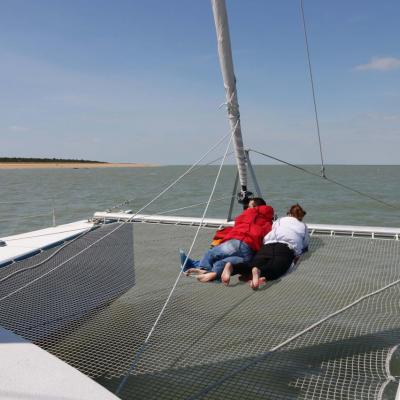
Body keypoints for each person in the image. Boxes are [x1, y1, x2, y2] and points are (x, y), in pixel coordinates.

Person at [181, 198, 274, 283]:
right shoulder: (268, 222)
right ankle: (215, 274)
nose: (247, 209)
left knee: (211, 254)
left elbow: (236, 227)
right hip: (249, 252)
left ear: (254, 207)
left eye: (249, 207)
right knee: (224, 263)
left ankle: (203, 268)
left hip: (237, 242)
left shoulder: (247, 214)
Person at [221, 203, 309, 289]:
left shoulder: (279, 221)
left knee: (253, 265)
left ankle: (233, 267)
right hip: (285, 249)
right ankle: (259, 272)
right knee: (276, 271)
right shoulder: (303, 226)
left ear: (289, 213)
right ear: (301, 217)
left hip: (267, 245)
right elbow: (305, 245)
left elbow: (271, 228)